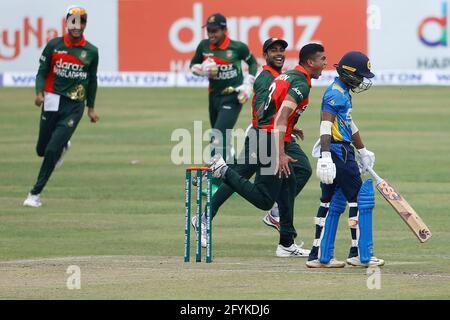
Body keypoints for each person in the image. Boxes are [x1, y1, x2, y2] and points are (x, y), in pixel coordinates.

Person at [201, 44, 327, 257]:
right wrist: (279, 151)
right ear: (310, 62)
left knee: (296, 175)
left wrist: (289, 126)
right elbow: (267, 112)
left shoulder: (284, 76)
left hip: (273, 135)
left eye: (282, 50)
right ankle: (219, 177)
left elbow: (272, 109)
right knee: (260, 194)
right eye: (322, 59)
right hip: (266, 137)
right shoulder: (283, 80)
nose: (325, 63)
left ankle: (286, 241)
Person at [305, 51, 385, 268]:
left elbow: (349, 123)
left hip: (341, 150)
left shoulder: (342, 91)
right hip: (337, 152)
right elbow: (325, 125)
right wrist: (326, 156)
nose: (361, 81)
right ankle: (361, 254)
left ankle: (320, 256)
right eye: (359, 76)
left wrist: (363, 150)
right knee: (360, 200)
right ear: (348, 73)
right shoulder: (335, 94)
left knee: (331, 201)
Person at [23, 6, 99, 207]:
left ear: (84, 24)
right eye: (73, 21)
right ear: (67, 22)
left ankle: (34, 194)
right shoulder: (54, 46)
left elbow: (92, 81)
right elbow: (41, 71)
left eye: (81, 21)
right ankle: (64, 145)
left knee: (51, 150)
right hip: (51, 101)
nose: (77, 26)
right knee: (42, 149)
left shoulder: (91, 51)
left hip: (74, 106)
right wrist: (39, 92)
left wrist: (91, 108)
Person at [189, 13, 258, 189]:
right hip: (214, 96)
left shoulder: (237, 47)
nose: (211, 34)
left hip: (234, 96)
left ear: (224, 30)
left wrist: (247, 84)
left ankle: (214, 180)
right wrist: (201, 70)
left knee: (217, 136)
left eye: (215, 30)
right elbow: (193, 65)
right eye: (208, 30)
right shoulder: (204, 46)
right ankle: (234, 179)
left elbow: (253, 63)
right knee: (222, 139)